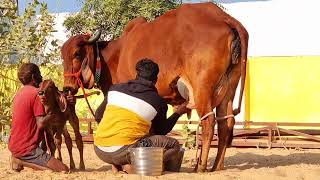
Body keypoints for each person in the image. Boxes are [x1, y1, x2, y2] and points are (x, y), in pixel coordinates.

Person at [94, 59, 190, 173]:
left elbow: (98, 115)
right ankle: (135, 165)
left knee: (142, 136)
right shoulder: (157, 101)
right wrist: (178, 113)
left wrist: (113, 133)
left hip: (99, 149)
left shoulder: (115, 89)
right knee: (174, 145)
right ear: (156, 79)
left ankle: (118, 163)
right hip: (123, 151)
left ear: (136, 74)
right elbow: (161, 130)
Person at [8, 63, 69, 172]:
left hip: (14, 145)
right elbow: (41, 123)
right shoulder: (36, 94)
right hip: (27, 148)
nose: (41, 78)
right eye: (39, 74)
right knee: (63, 169)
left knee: (52, 166)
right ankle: (20, 161)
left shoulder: (19, 93)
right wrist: (52, 115)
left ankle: (19, 159)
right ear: (33, 77)